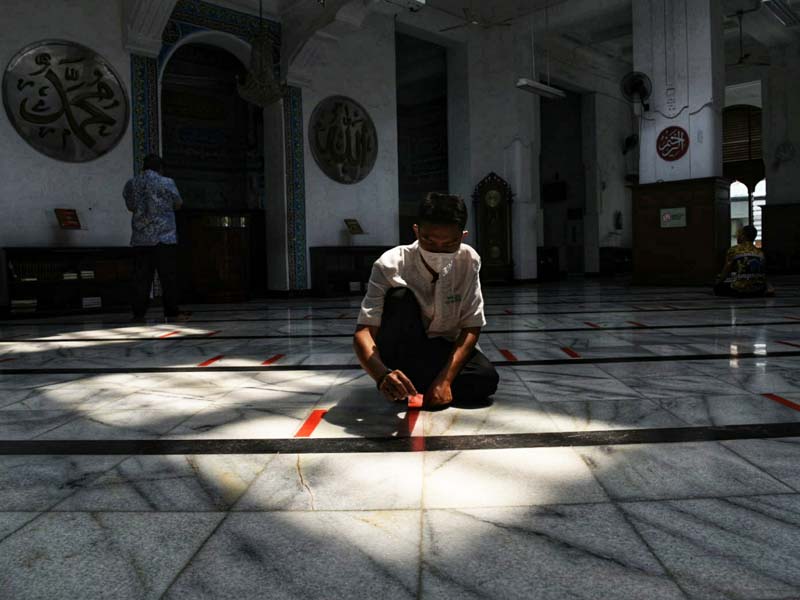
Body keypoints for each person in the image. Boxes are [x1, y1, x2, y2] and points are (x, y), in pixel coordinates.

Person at [353, 193, 499, 409]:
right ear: (416, 231)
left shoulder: (469, 261)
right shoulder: (390, 264)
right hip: (402, 348)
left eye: (449, 244)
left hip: (444, 347)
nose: (438, 250)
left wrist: (445, 380)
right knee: (400, 297)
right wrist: (382, 375)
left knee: (485, 379)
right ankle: (399, 381)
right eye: (429, 241)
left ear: (462, 236)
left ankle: (411, 384)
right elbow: (364, 331)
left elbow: (471, 326)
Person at [123, 154, 188, 322]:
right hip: (164, 237)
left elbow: (130, 206)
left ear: (143, 167)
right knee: (168, 277)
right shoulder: (167, 182)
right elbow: (178, 203)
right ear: (160, 168)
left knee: (141, 278)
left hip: (141, 238)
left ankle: (138, 314)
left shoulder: (132, 183)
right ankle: (172, 312)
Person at [714, 225, 774, 297]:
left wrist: (718, 282)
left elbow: (726, 271)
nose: (737, 236)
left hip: (739, 290)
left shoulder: (734, 250)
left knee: (719, 288)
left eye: (739, 234)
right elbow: (763, 273)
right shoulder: (760, 252)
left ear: (743, 236)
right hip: (758, 290)